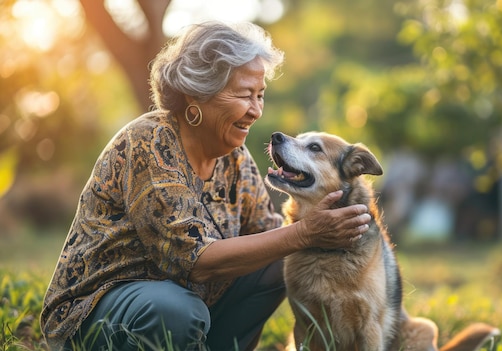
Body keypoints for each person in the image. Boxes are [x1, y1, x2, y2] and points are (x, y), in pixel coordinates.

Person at [40, 21, 372, 351]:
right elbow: (195, 260)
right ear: (198, 93)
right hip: (96, 313)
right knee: (177, 310)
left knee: (278, 261)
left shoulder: (234, 156)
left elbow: (267, 233)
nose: (256, 110)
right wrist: (304, 233)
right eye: (245, 95)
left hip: (192, 309)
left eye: (260, 95)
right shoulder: (149, 142)